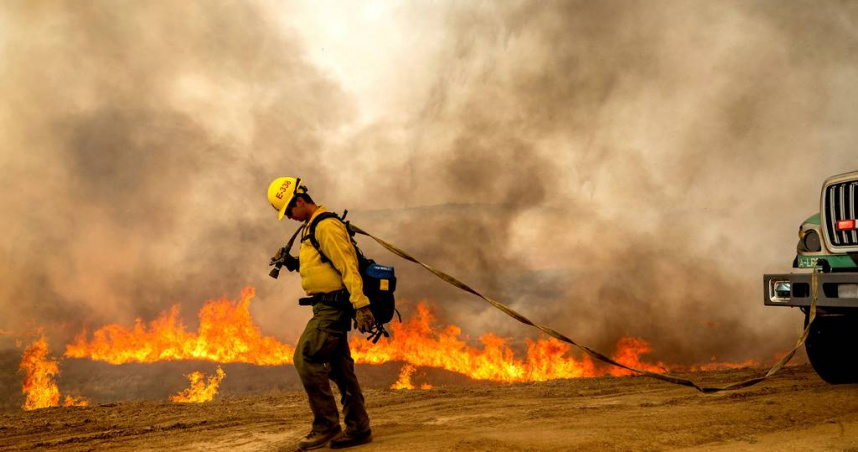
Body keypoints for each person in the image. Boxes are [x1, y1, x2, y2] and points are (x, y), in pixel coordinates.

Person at [267, 176, 375, 450]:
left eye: (290, 210)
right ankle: (359, 428)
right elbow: (321, 266)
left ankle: (326, 425)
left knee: (305, 356)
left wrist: (362, 305)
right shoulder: (311, 227)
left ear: (300, 201)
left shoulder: (325, 226)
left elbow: (347, 266)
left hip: (332, 308)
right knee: (341, 370)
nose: (289, 217)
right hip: (327, 304)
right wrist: (292, 263)